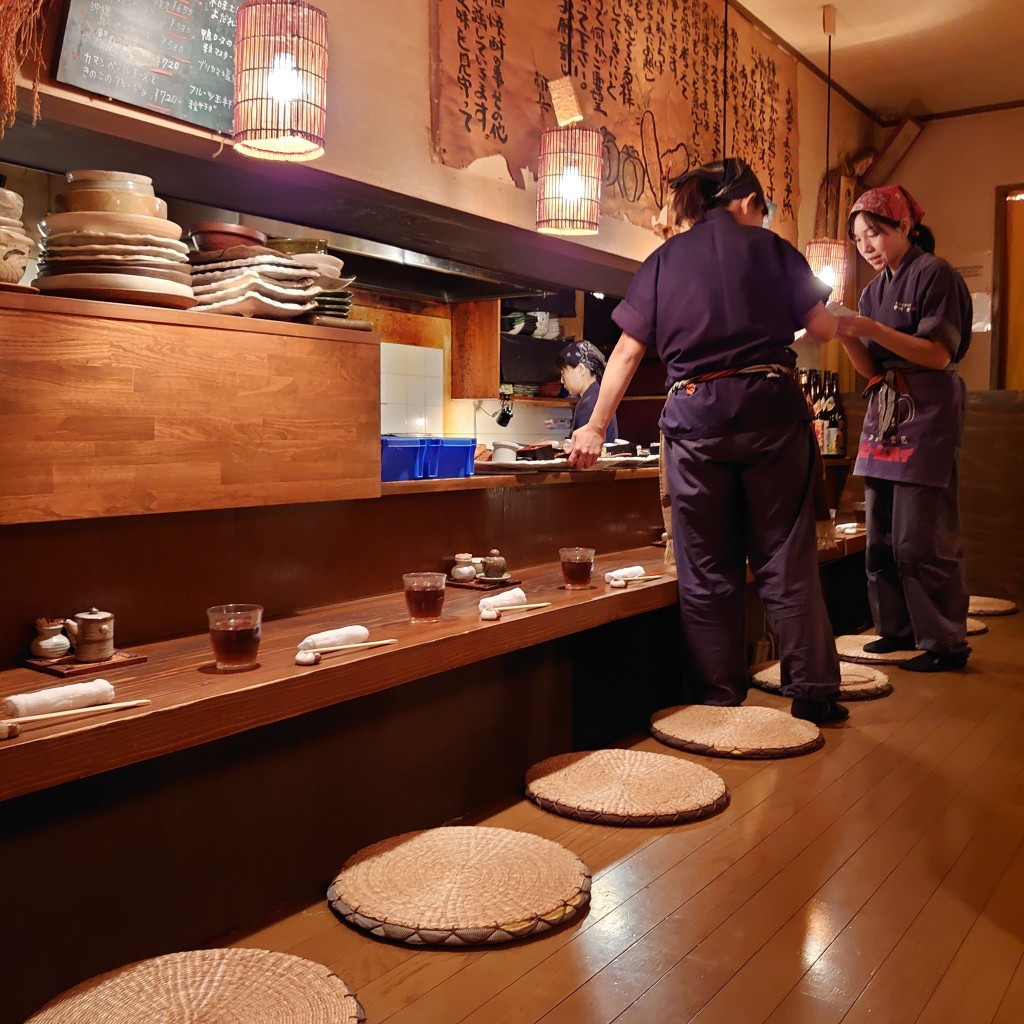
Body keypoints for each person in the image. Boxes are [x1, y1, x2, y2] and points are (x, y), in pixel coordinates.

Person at [568, 157, 847, 724]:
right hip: (772, 413)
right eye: (762, 212)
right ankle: (813, 690)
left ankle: (719, 697)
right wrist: (765, 329)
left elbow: (626, 351)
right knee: (785, 556)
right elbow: (823, 329)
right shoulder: (774, 252)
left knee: (705, 565)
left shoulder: (663, 261)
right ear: (746, 203)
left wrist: (595, 427)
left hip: (695, 423)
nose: (762, 221)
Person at [835, 185, 972, 672]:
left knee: (922, 537)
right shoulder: (873, 292)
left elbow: (938, 353)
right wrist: (844, 329)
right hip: (885, 407)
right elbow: (870, 370)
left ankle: (945, 643)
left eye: (875, 232)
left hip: (929, 412)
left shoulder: (936, 274)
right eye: (858, 239)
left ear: (904, 227)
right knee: (881, 536)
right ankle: (895, 630)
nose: (867, 245)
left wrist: (869, 329)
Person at [554, 339, 618, 443]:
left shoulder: (589, 403)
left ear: (581, 370)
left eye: (563, 372)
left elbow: (581, 447)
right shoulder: (596, 395)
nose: (561, 380)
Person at [814, 146, 878, 239]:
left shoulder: (856, 184)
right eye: (866, 161)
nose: (865, 166)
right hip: (830, 221)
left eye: (869, 164)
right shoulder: (839, 175)